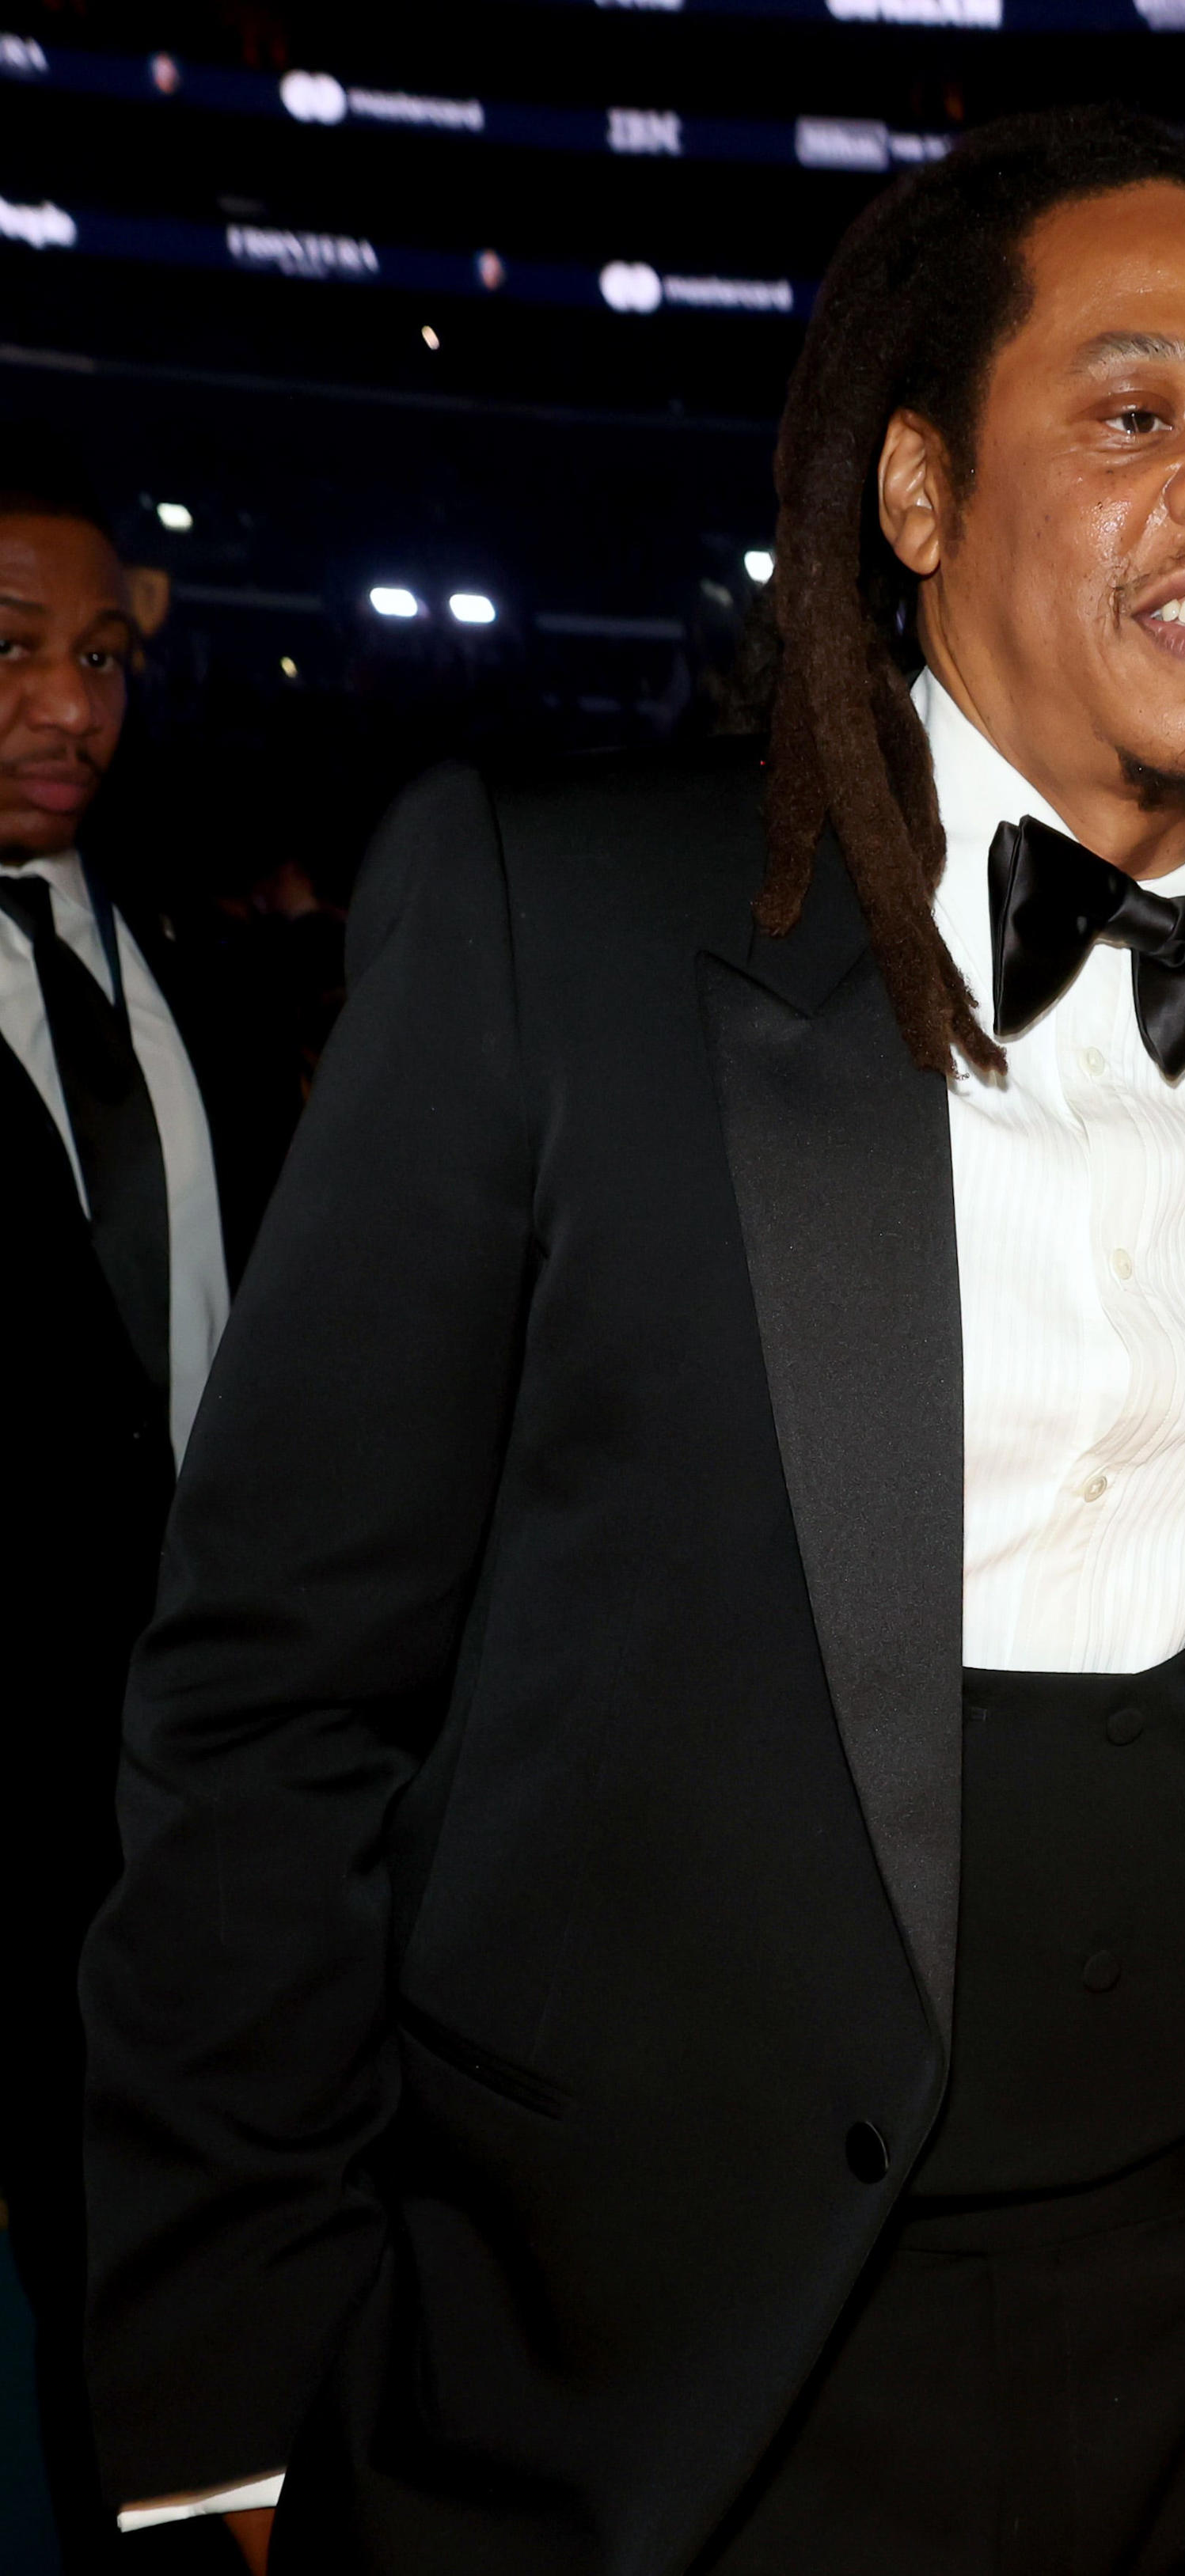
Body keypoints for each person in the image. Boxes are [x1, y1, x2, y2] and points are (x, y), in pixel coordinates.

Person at [81, 109, 1185, 2574]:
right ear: (918, 488)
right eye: (1139, 410)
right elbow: (274, 1701)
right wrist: (241, 2401)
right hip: (628, 2410)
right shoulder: (557, 930)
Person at [0, 436, 255, 2573]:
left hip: (193, 1775)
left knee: (154, 2272)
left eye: (99, 657)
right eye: (12, 650)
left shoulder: (190, 951)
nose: (67, 704)